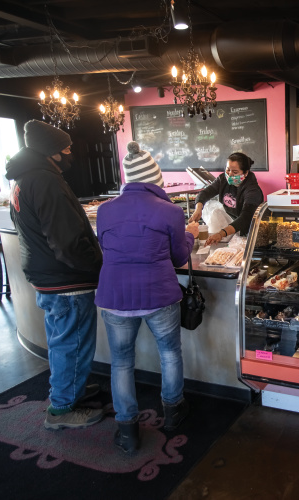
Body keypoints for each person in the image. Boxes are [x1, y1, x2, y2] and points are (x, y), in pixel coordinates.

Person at [95, 148, 198, 453]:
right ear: (156, 178)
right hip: (158, 294)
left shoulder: (105, 210)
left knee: (121, 362)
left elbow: (106, 247)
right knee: (169, 353)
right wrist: (191, 234)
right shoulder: (170, 211)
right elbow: (179, 258)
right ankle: (173, 411)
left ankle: (127, 430)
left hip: (115, 296)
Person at [5, 120, 104, 430]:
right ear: (51, 152)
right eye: (66, 148)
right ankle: (61, 408)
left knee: (62, 340)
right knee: (71, 343)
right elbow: (67, 240)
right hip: (66, 280)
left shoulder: (22, 180)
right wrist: (97, 267)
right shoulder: (45, 181)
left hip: (48, 276)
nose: (70, 153)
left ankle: (72, 385)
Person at [187, 152, 264, 245]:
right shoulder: (223, 179)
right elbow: (205, 193)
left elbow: (246, 218)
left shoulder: (253, 191)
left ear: (246, 173)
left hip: (244, 229)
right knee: (210, 207)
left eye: (235, 172)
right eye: (228, 170)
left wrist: (221, 233)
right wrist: (198, 209)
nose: (230, 174)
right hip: (227, 221)